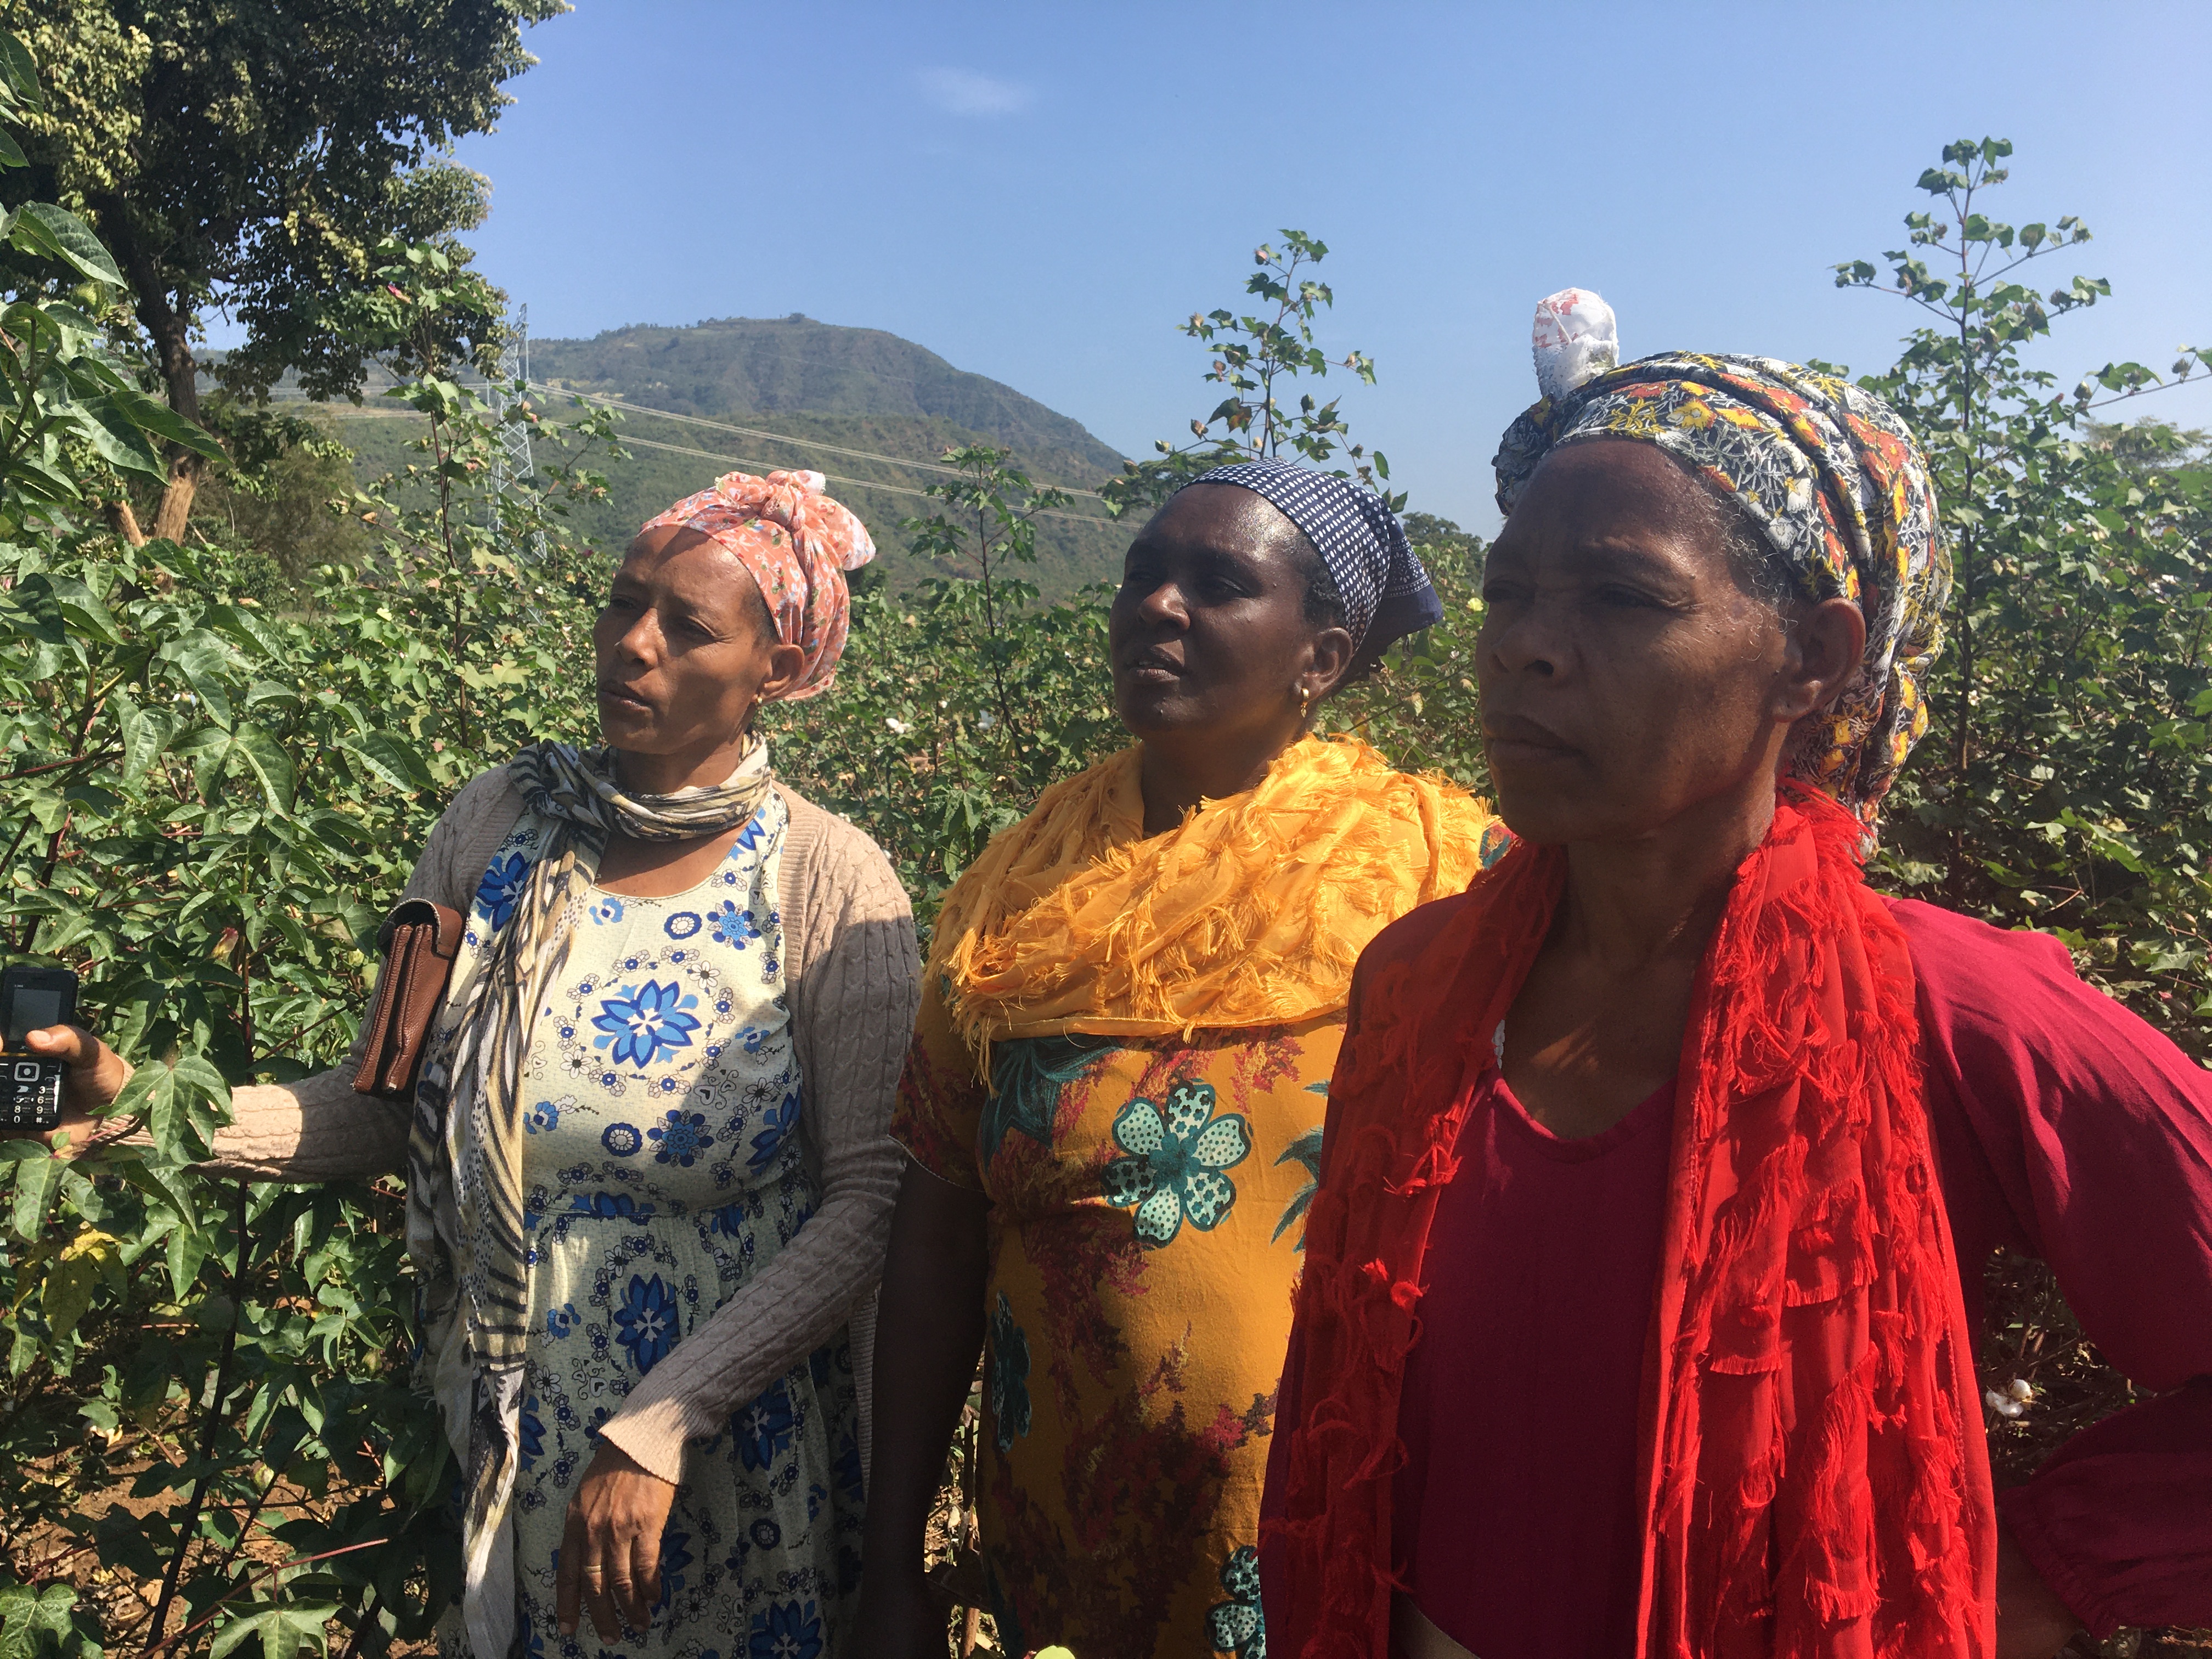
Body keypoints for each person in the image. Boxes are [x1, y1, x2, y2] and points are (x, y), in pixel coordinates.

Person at [1262, 292, 2212, 1659]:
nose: (1522, 645)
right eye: (1509, 592)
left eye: (1624, 597)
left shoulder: (1948, 1012)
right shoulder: (1417, 989)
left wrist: (2042, 1569)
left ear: (1811, 660)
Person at [37, 470, 921, 1659]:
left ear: (781, 665)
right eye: (624, 603)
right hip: (512, 1428)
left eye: (688, 626)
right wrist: (137, 1103)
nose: (633, 644)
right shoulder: (498, 824)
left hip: (717, 1463)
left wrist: (669, 1417)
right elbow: (386, 1101)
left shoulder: (829, 880)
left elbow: (871, 1201)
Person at [851, 459, 1509, 1659]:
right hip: (1060, 1546)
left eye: (1219, 583)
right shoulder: (1018, 893)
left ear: (1322, 657)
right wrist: (891, 1566)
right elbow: (938, 1230)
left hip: (1339, 1544)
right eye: (1143, 573)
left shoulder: (1434, 875)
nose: (1158, 605)